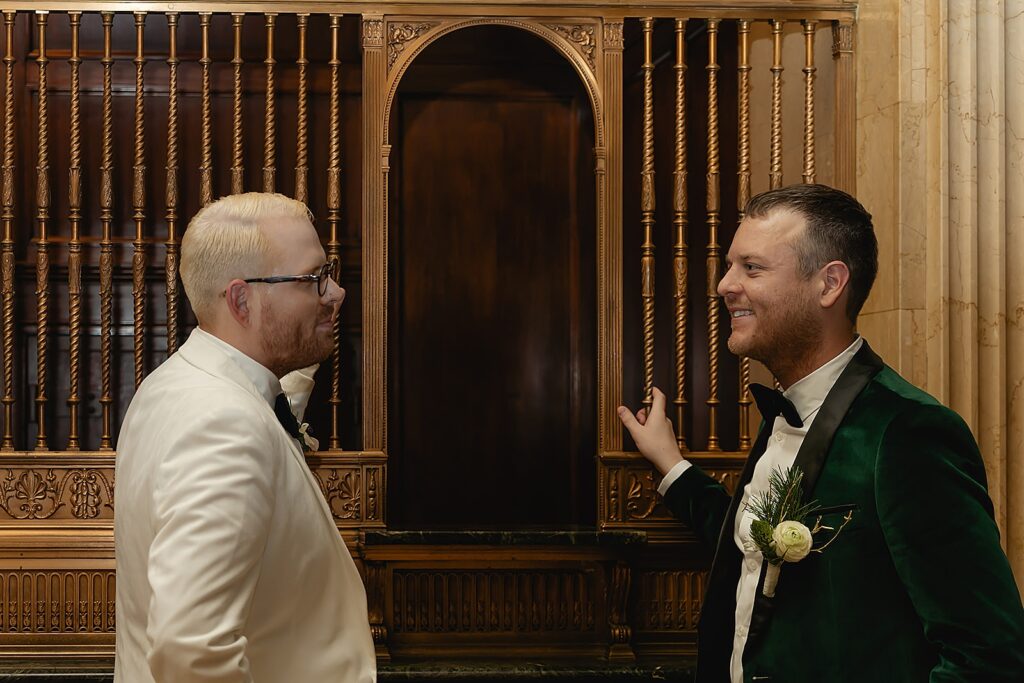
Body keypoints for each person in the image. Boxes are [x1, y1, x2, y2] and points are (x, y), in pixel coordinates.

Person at [618, 184, 1024, 682]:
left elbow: (988, 656)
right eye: (730, 266)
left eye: (752, 267)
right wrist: (672, 465)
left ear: (829, 284)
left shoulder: (909, 431)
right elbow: (755, 543)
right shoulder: (782, 416)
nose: (725, 285)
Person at [114, 192, 375, 682]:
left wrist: (292, 366)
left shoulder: (173, 383)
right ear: (241, 300)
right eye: (314, 279)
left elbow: (260, 426)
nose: (336, 293)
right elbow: (192, 654)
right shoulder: (224, 424)